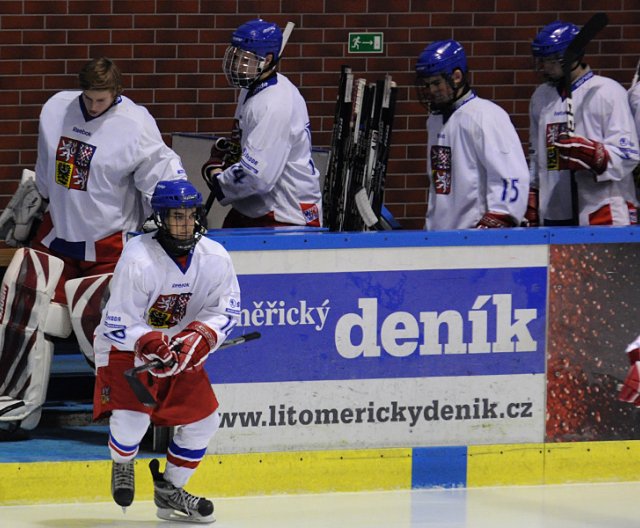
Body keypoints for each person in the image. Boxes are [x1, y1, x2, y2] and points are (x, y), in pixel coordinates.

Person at [0, 57, 186, 433]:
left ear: (116, 93)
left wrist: (170, 227)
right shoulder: (56, 108)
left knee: (102, 323)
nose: (93, 106)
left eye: (101, 100)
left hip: (110, 252)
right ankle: (14, 403)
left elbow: (163, 181)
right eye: (88, 98)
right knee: (22, 290)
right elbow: (45, 176)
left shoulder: (136, 125)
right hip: (56, 240)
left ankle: (132, 410)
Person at [93, 179, 241, 523]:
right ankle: (122, 461)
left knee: (205, 420)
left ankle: (170, 490)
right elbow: (117, 322)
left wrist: (200, 337)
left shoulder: (215, 257)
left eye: (191, 215)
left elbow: (227, 311)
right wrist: (149, 340)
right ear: (160, 218)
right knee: (133, 421)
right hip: (127, 349)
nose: (186, 222)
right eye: (177, 216)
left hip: (178, 350)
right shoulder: (138, 258)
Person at [201, 18, 323, 228]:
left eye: (244, 59)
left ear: (267, 60)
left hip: (285, 213)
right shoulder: (252, 87)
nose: (236, 65)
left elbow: (257, 177)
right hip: (257, 206)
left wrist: (218, 177)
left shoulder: (275, 104)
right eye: (235, 56)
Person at [527, 21, 639, 226]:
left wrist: (594, 155)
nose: (545, 67)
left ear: (572, 56)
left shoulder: (607, 91)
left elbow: (629, 154)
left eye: (551, 60)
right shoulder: (540, 97)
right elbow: (536, 155)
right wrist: (532, 195)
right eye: (542, 60)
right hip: (554, 209)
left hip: (604, 209)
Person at [414, 39, 529, 230]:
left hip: (474, 238)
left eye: (436, 83)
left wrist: (499, 218)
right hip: (440, 236)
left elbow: (511, 175)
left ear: (457, 76)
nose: (431, 91)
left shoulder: (486, 115)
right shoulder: (434, 121)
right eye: (427, 85)